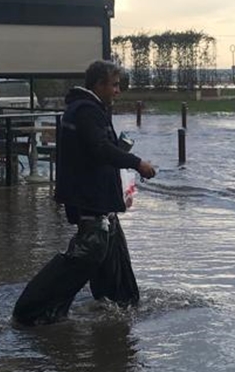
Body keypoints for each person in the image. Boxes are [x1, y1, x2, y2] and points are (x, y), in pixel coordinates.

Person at [13, 59, 156, 325]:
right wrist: (137, 163)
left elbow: (96, 149)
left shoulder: (82, 108)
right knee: (89, 251)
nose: (118, 91)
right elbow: (100, 149)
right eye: (114, 85)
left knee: (109, 250)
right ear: (99, 84)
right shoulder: (88, 111)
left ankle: (117, 303)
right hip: (91, 198)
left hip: (92, 197)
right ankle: (32, 310)